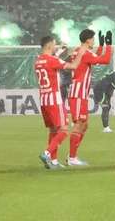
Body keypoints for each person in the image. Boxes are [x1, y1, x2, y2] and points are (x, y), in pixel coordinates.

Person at [34, 36, 84, 170]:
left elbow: (53, 58)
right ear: (50, 45)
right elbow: (73, 66)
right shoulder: (52, 60)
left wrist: (61, 50)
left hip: (44, 98)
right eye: (55, 45)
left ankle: (54, 161)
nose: (56, 47)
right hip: (54, 99)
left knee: (53, 130)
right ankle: (47, 153)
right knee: (64, 129)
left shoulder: (38, 61)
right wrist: (81, 52)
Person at [66, 29, 112, 167]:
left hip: (81, 93)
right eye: (93, 39)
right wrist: (108, 46)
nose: (94, 41)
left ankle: (72, 155)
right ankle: (72, 157)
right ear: (87, 40)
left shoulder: (78, 51)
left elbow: (94, 57)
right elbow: (104, 60)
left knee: (84, 125)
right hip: (78, 92)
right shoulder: (84, 53)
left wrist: (101, 46)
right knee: (80, 124)